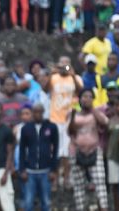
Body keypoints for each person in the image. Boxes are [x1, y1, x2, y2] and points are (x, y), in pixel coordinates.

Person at [68, 88, 109, 211]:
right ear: (79, 99)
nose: (87, 99)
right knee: (79, 182)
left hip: (94, 150)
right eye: (84, 96)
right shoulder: (73, 113)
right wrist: (73, 116)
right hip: (76, 151)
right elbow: (70, 131)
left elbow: (105, 122)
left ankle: (104, 209)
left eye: (90, 96)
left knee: (99, 180)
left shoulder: (95, 113)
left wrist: (92, 109)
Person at [19, 102, 58, 211]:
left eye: (39, 112)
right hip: (30, 171)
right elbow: (22, 150)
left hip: (45, 170)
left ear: (43, 112)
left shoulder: (51, 127)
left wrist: (54, 170)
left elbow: (56, 149)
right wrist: (22, 170)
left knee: (46, 201)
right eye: (34, 112)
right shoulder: (26, 129)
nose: (37, 114)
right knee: (28, 201)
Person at [45, 57, 83, 188]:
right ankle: (55, 178)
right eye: (62, 64)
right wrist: (51, 73)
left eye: (67, 64)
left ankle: (66, 178)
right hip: (54, 118)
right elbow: (44, 89)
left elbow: (81, 92)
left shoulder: (75, 78)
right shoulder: (54, 77)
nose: (65, 67)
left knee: (67, 151)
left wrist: (72, 75)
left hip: (69, 119)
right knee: (54, 151)